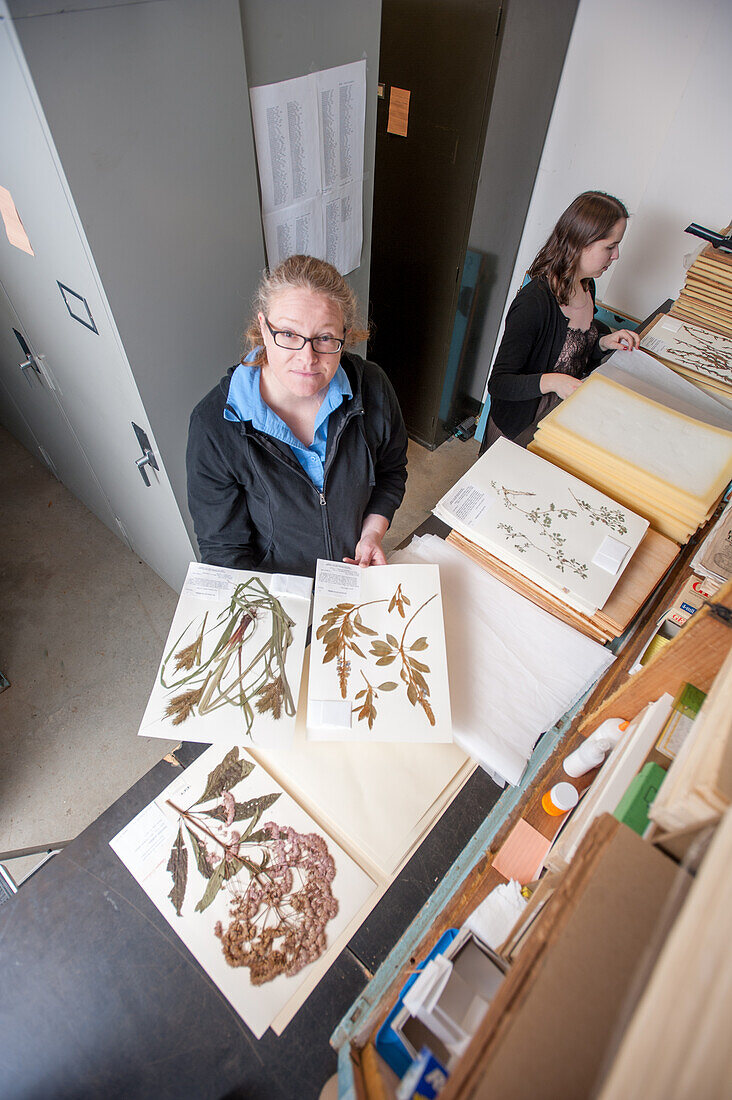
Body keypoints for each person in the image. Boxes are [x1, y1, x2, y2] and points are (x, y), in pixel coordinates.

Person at [187, 255, 408, 577]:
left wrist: (372, 533)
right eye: (289, 334)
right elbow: (224, 550)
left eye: (325, 338)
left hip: (351, 571)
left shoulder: (372, 387)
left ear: (344, 336)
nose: (308, 359)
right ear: (263, 328)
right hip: (277, 589)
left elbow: (391, 471)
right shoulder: (214, 425)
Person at [483, 191, 640, 448]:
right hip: (520, 426)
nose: (616, 255)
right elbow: (500, 383)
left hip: (558, 417)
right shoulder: (534, 303)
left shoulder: (587, 286)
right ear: (581, 243)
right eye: (610, 247)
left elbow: (573, 351)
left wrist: (602, 343)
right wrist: (554, 381)